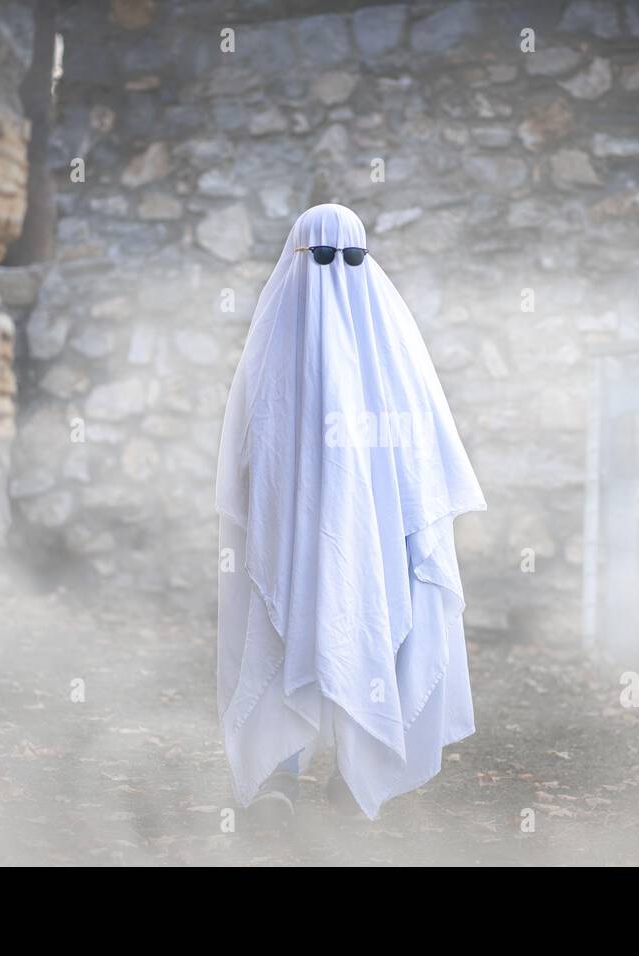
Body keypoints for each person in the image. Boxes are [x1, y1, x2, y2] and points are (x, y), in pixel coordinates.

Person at [215, 203, 485, 826]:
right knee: (332, 629)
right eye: (326, 257)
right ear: (299, 257)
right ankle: (312, 777)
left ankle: (331, 775)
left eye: (351, 258)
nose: (338, 273)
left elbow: (417, 451)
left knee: (311, 628)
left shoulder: (294, 341)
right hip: (338, 539)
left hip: (338, 538)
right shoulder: (379, 343)